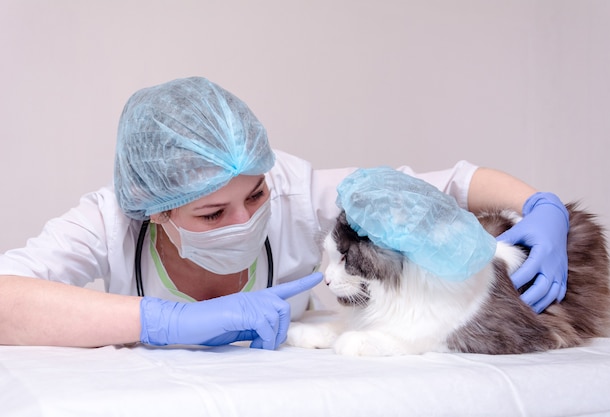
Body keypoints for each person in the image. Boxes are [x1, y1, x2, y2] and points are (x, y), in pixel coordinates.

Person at [0, 77, 569, 350]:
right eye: (211, 213)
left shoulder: (298, 194)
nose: (244, 219)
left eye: (254, 196)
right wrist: (163, 322)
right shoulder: (108, 221)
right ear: (156, 213)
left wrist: (540, 206)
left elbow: (447, 184)